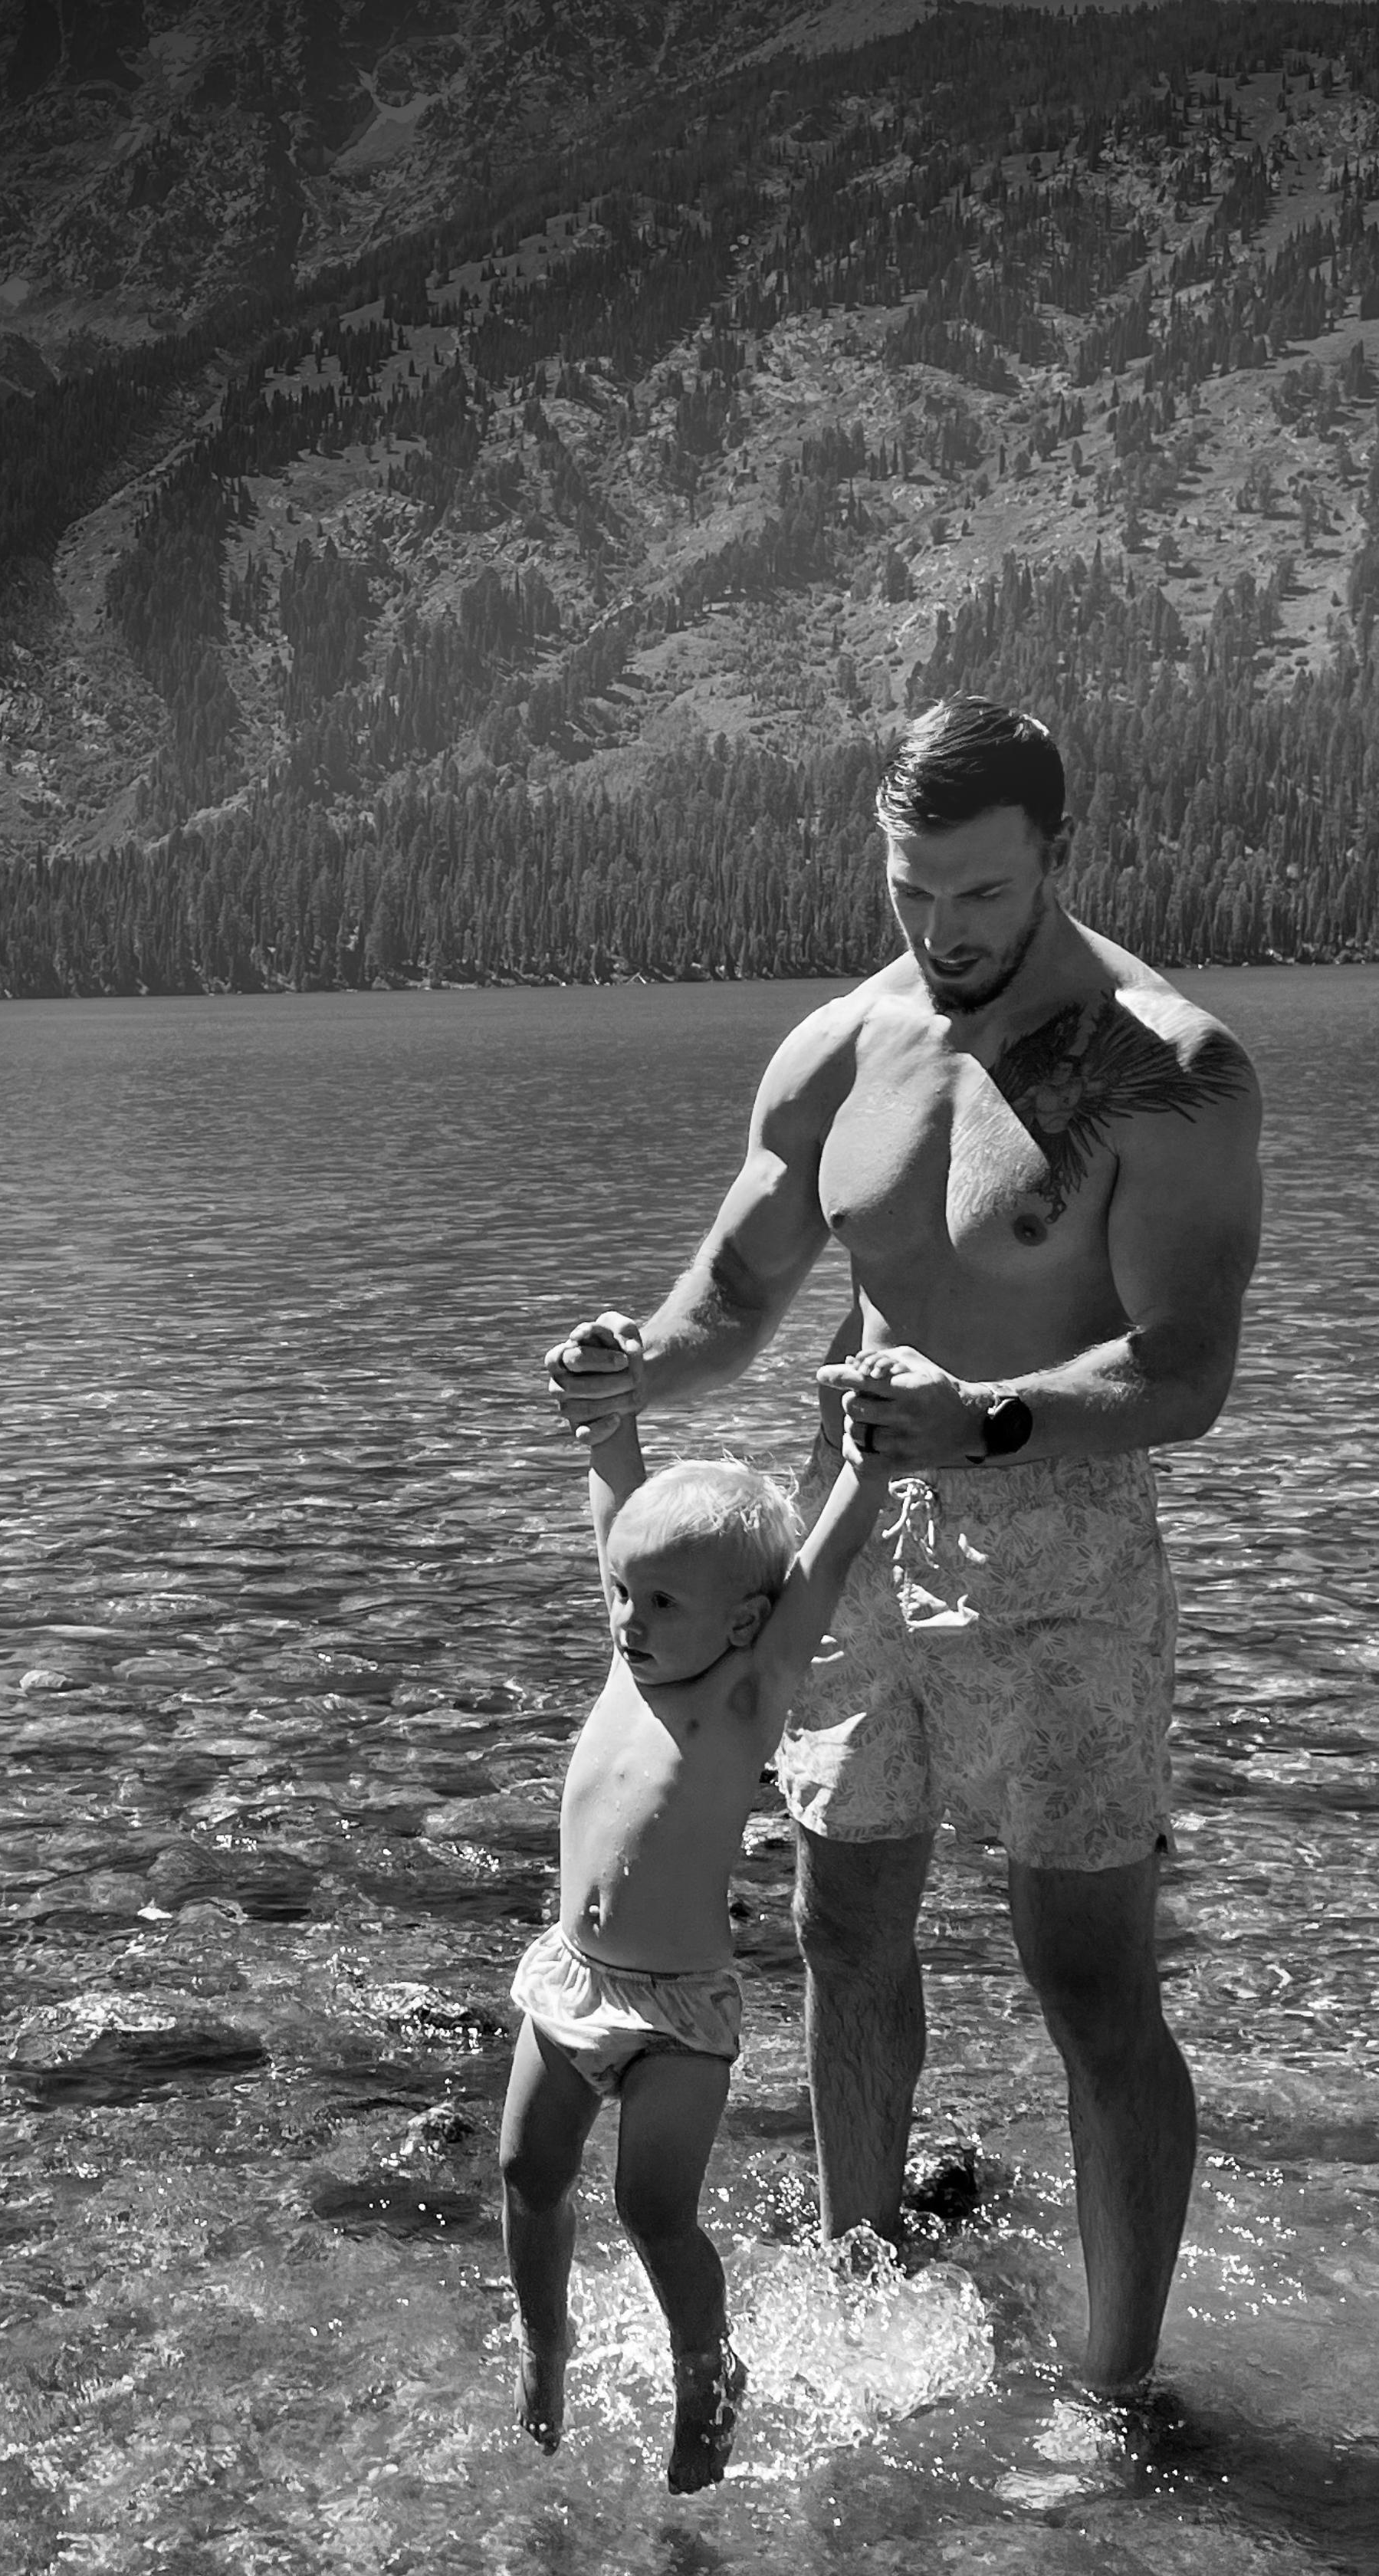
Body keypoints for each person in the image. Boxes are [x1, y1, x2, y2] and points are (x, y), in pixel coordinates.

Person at [547, 694, 1263, 2397]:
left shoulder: (1168, 1065)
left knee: (1087, 1982)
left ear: (1058, 861)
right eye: (915, 894)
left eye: (984, 899)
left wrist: (988, 1419)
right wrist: (635, 1358)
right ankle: (863, 2287)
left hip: (1062, 1555)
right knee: (842, 1928)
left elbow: (1187, 1371)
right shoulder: (840, 1049)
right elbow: (734, 1295)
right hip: (857, 1529)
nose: (945, 936)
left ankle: (1118, 2388)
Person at [501, 1316, 891, 2488]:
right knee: (525, 2172)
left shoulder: (741, 1696)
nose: (628, 1618)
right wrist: (607, 1406)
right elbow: (616, 1494)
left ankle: (705, 2376)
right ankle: (543, 2343)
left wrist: (867, 1468)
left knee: (653, 2212)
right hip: (570, 1981)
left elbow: (815, 1577)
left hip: (675, 2011)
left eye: (662, 1603)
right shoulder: (630, 1660)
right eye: (623, 1592)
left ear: (739, 1623)